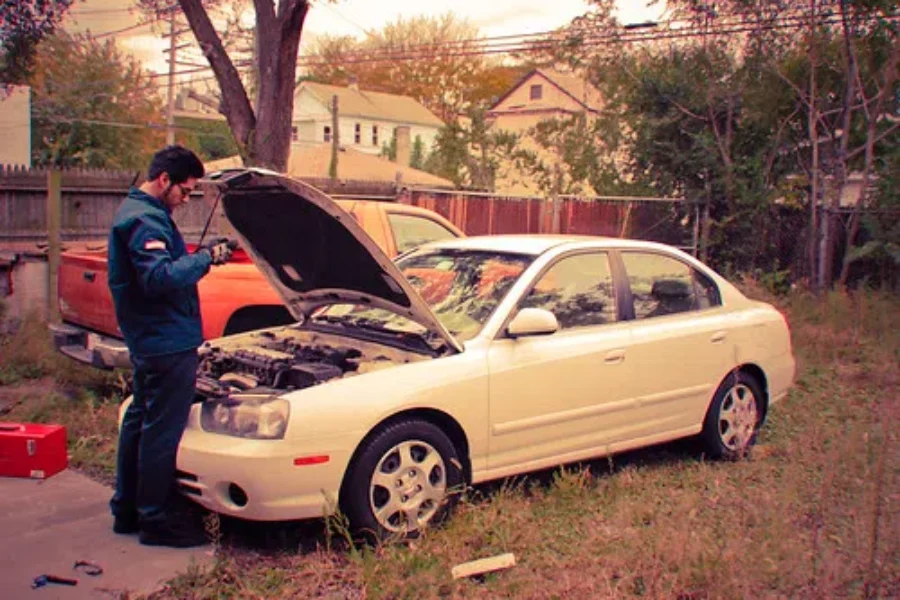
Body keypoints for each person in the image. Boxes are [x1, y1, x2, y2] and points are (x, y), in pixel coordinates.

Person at [107, 145, 234, 548]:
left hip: (150, 339)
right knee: (161, 429)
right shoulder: (145, 219)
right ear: (164, 180)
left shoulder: (140, 212)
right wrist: (207, 259)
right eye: (185, 191)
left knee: (139, 421)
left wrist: (197, 255)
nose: (186, 199)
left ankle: (127, 509)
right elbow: (158, 278)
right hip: (166, 342)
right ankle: (156, 520)